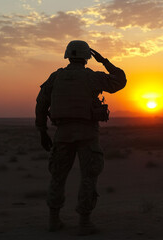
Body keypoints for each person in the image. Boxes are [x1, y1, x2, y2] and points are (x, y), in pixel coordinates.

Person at [35, 40, 127, 235]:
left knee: (58, 176)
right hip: (87, 133)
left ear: (68, 55)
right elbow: (120, 81)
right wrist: (104, 61)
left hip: (62, 134)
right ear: (87, 57)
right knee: (88, 177)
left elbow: (41, 103)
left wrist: (42, 131)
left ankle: (53, 220)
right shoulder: (93, 77)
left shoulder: (56, 77)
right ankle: (84, 223)